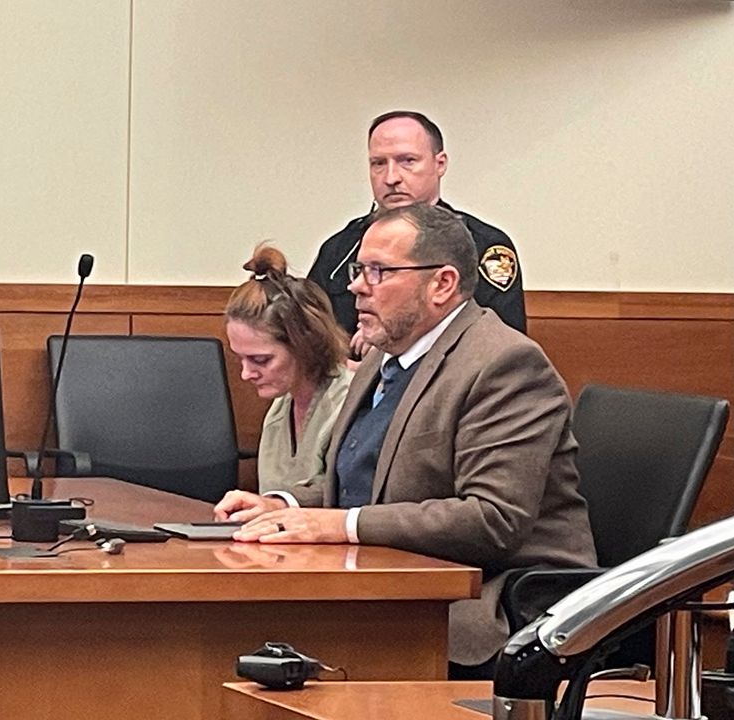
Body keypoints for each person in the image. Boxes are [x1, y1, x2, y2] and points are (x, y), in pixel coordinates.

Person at [215, 203, 594, 673]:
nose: (355, 285)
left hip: (488, 606)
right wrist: (286, 506)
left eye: (377, 271)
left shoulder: (504, 364)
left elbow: (492, 520)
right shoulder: (384, 357)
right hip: (392, 584)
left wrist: (339, 525)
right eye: (358, 269)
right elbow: (373, 483)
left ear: (443, 284)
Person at [307, 110, 526, 359]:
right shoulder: (340, 249)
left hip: (445, 390)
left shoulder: (483, 246)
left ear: (440, 164)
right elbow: (307, 337)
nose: (391, 178)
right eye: (379, 163)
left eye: (407, 161)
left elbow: (504, 348)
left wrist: (391, 346)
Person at [224, 244, 353, 494]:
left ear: (304, 344)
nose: (245, 374)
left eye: (260, 360)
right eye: (240, 359)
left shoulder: (351, 406)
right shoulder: (280, 408)